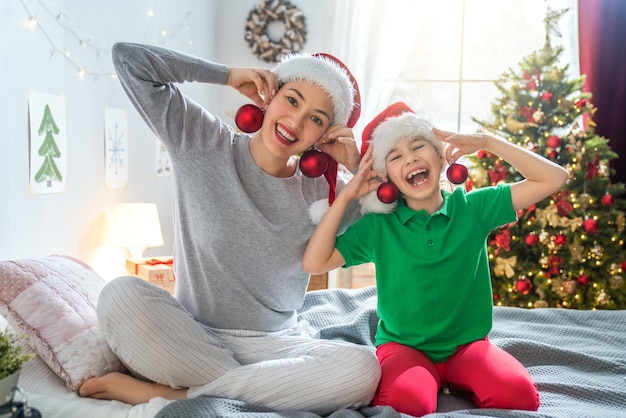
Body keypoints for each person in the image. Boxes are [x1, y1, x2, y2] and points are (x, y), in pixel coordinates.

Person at [78, 42, 381, 415]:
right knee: (118, 294)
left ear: (324, 134)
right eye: (292, 100)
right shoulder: (202, 142)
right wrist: (225, 75)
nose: (296, 121)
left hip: (278, 345)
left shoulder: (326, 192)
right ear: (269, 95)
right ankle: (257, 387)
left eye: (316, 119)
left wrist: (355, 175)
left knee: (364, 369)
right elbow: (128, 60)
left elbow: (392, 233)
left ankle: (174, 393)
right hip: (193, 337)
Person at [302, 102, 569, 417]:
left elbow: (554, 178)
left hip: (468, 347)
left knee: (519, 396)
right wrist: (348, 194)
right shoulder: (379, 227)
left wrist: (486, 142)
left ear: (441, 157)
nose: (411, 157)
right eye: (396, 156)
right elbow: (314, 263)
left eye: (418, 146)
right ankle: (432, 380)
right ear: (386, 177)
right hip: (404, 349)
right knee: (406, 404)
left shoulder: (472, 208)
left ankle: (456, 379)